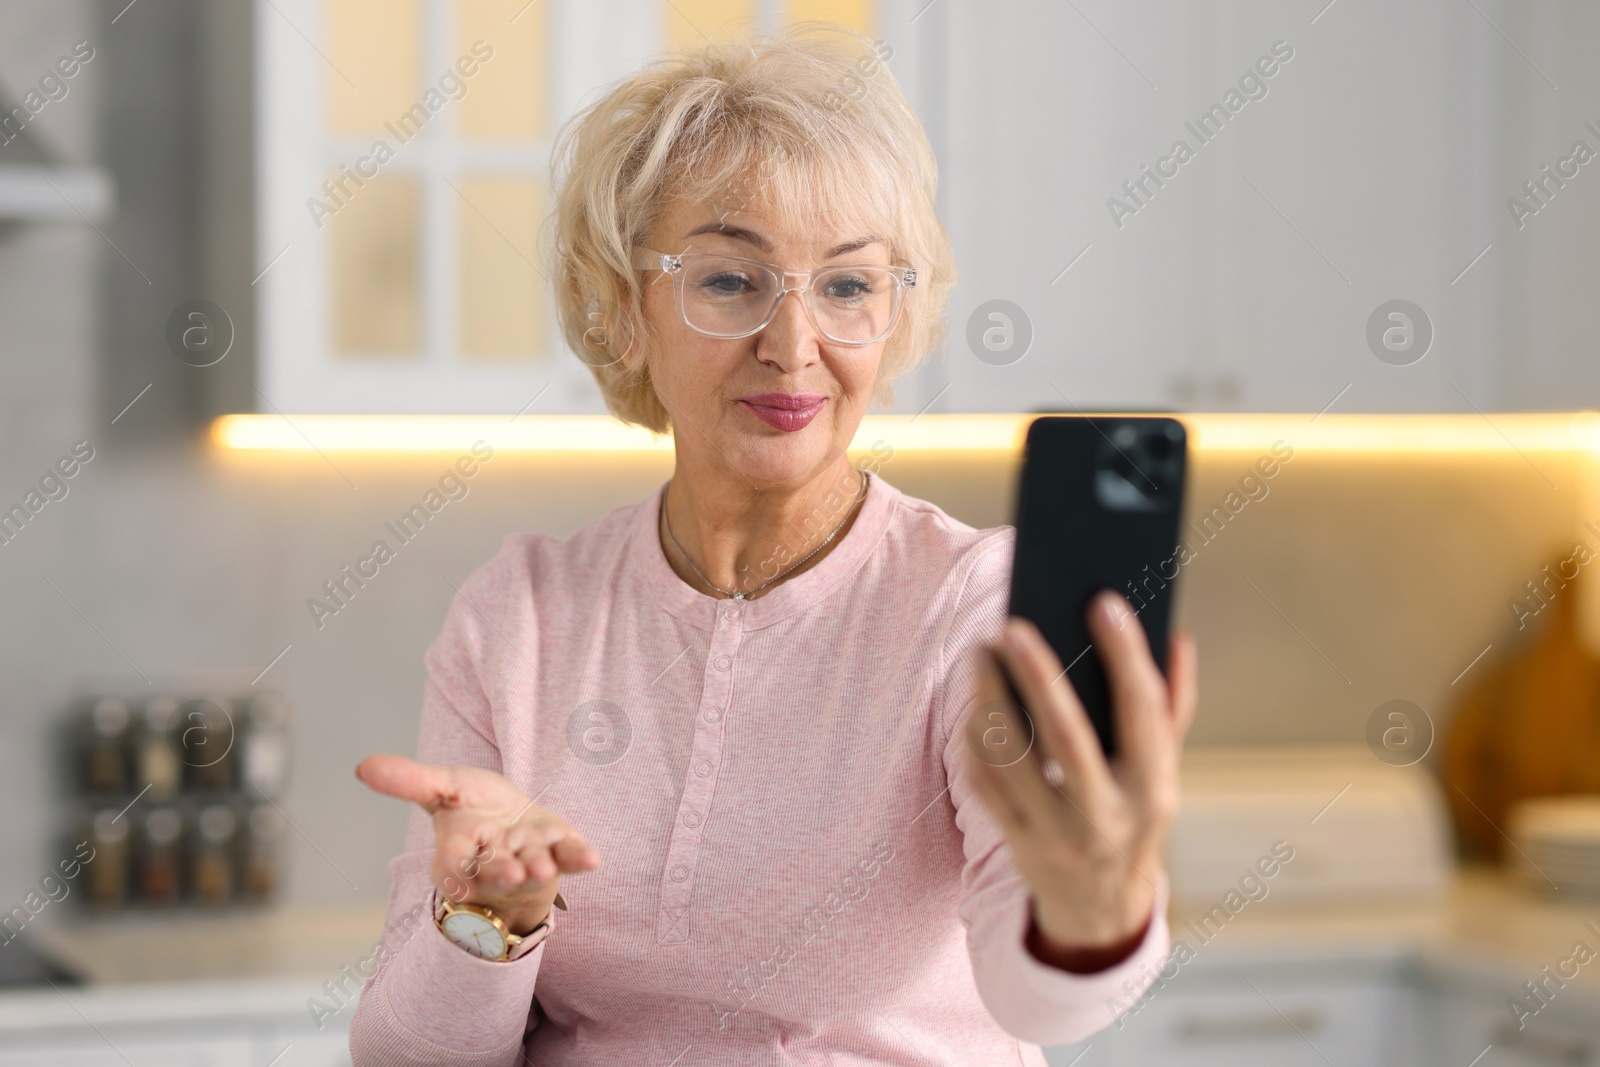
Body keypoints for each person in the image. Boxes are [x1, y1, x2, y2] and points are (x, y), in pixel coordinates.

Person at [349, 24, 1195, 1066]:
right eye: (729, 280)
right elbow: (404, 1056)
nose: (794, 347)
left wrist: (1093, 911)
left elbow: (1043, 999)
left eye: (846, 286)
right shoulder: (521, 611)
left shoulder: (966, 603)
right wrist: (489, 918)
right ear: (622, 307)